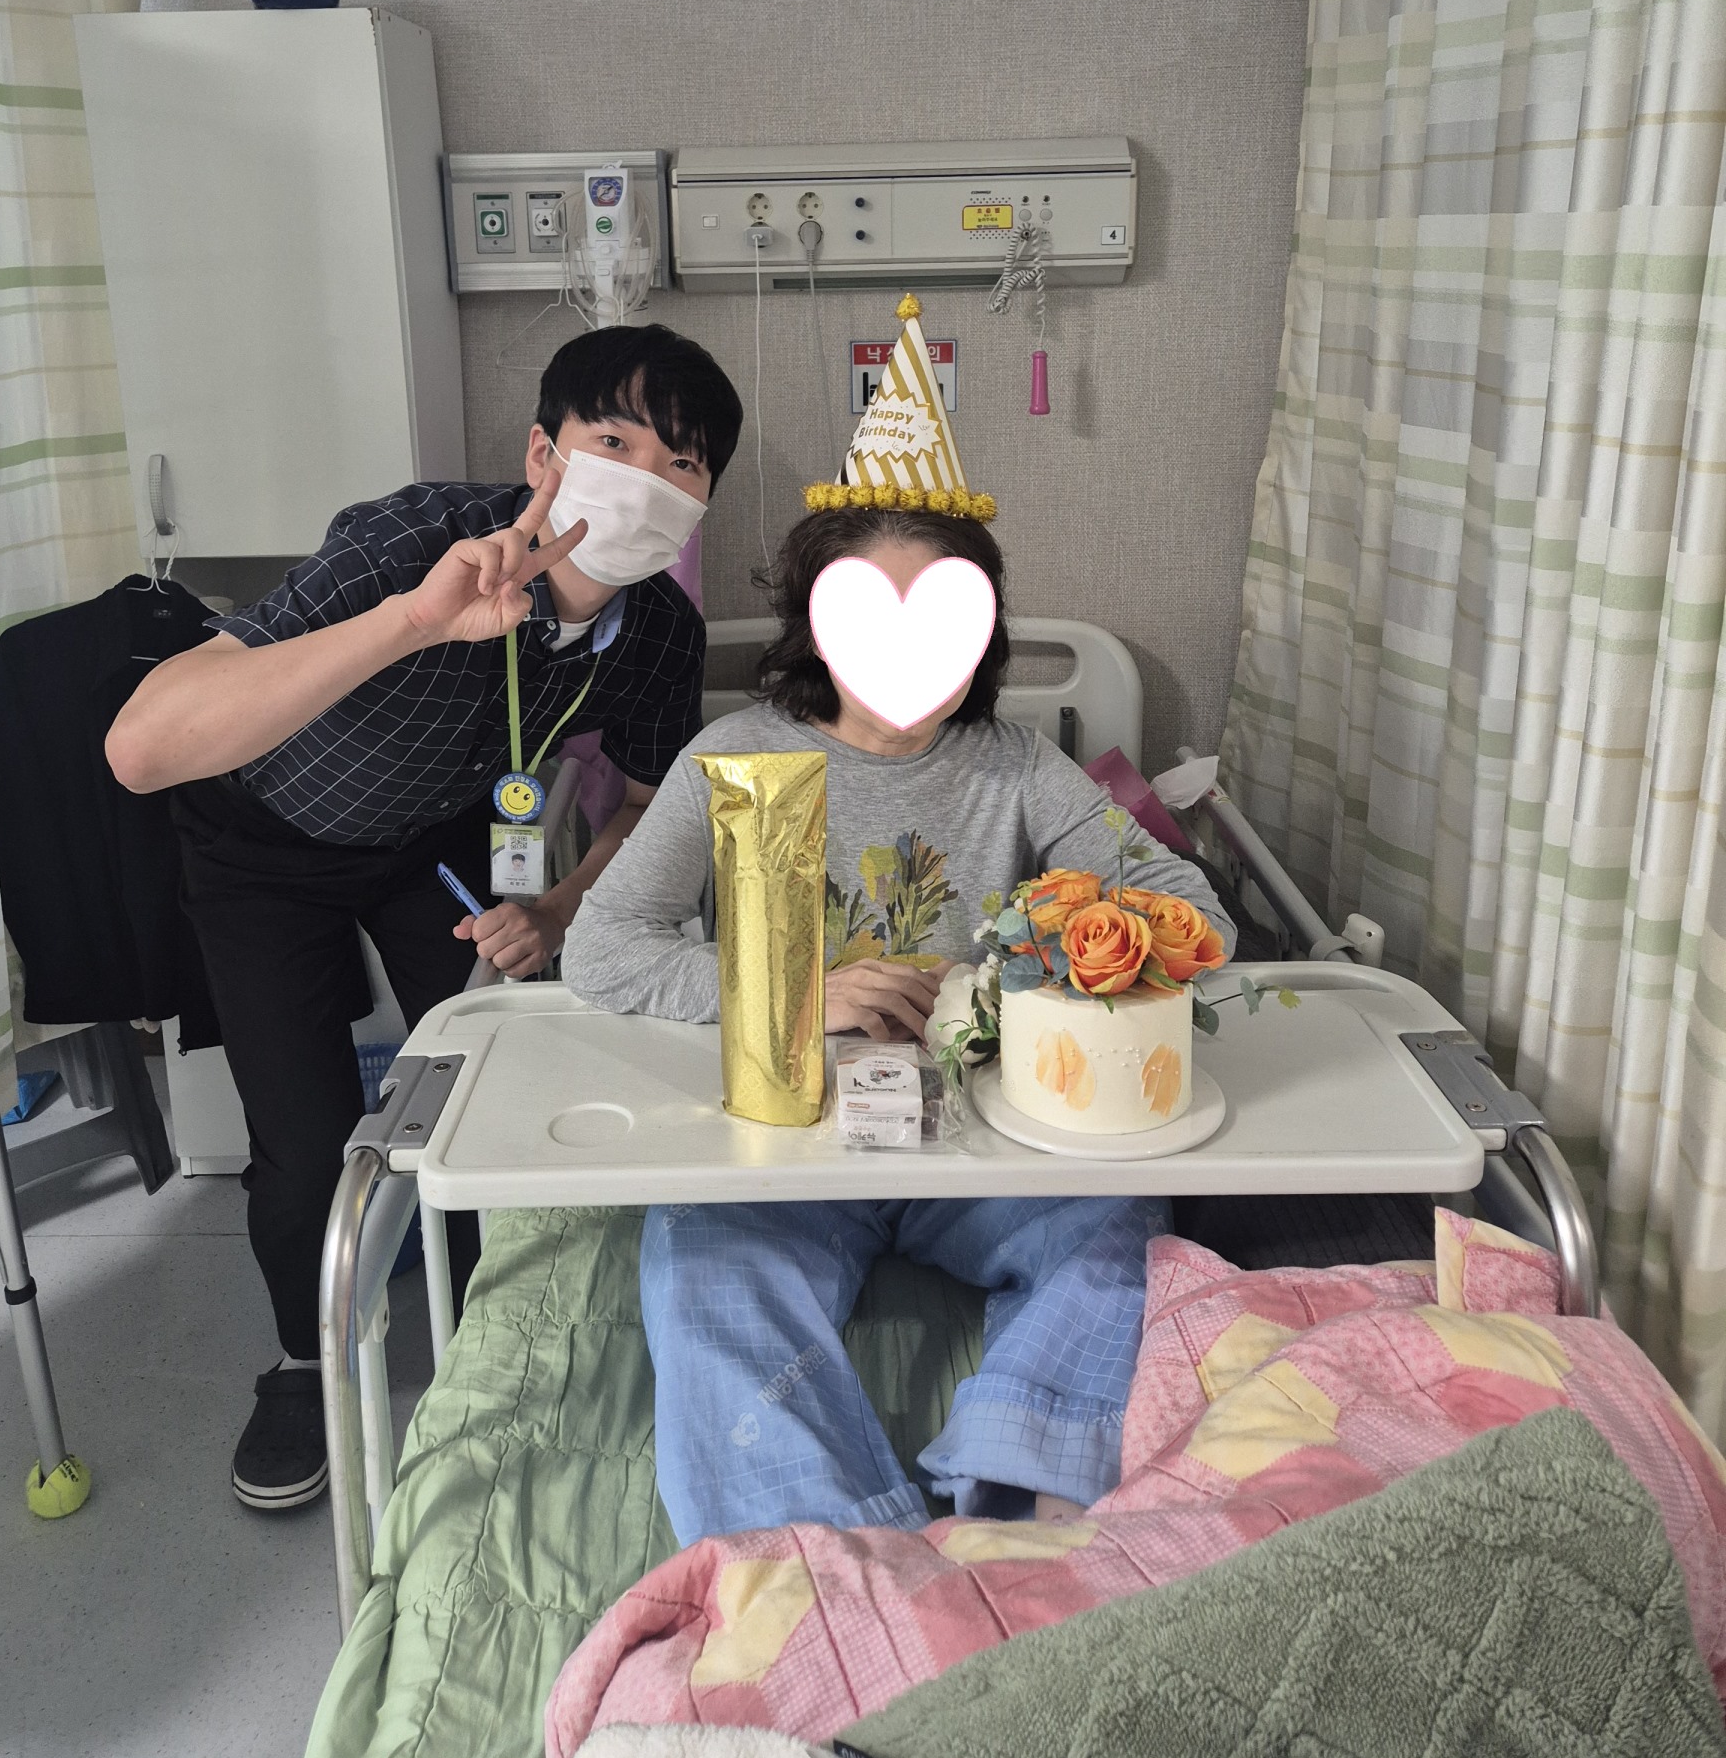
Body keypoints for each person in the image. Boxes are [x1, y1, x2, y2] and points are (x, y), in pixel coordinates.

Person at [106, 323, 742, 1511]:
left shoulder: (658, 632)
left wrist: (558, 907)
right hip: (259, 843)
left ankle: (494, 1315)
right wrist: (413, 619)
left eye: (683, 463)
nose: (648, 480)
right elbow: (140, 748)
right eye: (615, 443)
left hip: (434, 845)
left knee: (499, 1079)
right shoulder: (411, 542)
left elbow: (651, 804)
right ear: (543, 455)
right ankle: (303, 1361)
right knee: (309, 1142)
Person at [562, 501, 1234, 1541]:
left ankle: (1027, 1515)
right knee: (703, 1265)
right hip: (786, 1133)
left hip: (979, 1136)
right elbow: (602, 948)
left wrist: (1027, 968)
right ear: (816, 628)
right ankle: (820, 1561)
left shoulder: (1018, 767)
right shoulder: (732, 756)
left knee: (1116, 1228)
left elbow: (1195, 916)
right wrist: (800, 994)